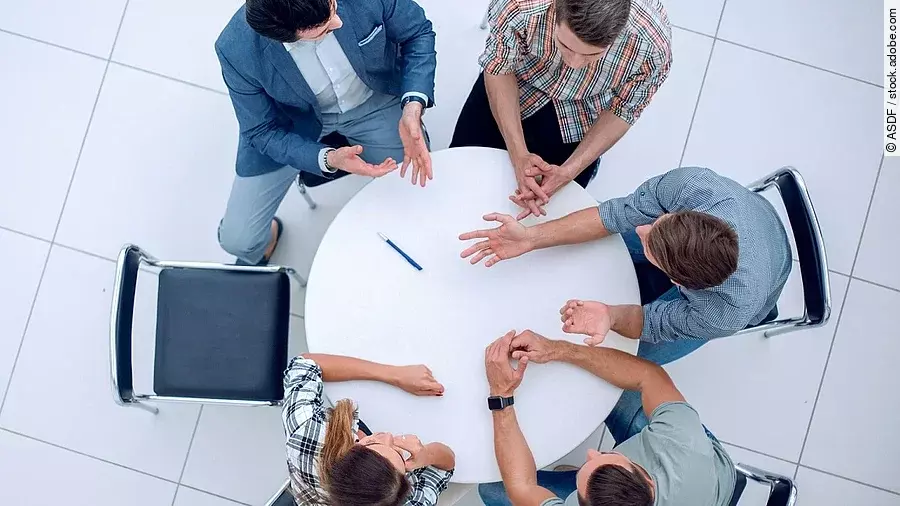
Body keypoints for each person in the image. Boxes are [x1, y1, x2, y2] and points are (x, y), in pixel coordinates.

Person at [459, 166, 792, 366]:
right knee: (610, 233)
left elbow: (653, 322)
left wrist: (611, 316)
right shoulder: (691, 186)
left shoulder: (724, 311)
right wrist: (530, 238)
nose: (642, 229)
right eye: (660, 223)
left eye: (649, 244)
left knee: (634, 353)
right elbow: (617, 215)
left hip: (767, 277)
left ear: (678, 281)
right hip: (753, 215)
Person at [215, 0, 438, 265]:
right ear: (283, 36)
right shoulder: (236, 48)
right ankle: (267, 240)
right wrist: (326, 159)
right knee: (238, 241)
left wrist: (413, 105)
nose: (339, 22)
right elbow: (261, 130)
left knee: (415, 186)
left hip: (371, 102)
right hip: (291, 125)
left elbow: (418, 33)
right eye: (323, 29)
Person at [450, 0, 671, 219]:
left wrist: (568, 172)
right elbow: (500, 67)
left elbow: (624, 110)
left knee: (554, 213)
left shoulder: (653, 47)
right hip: (517, 79)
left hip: (583, 108)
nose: (574, 63)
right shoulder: (518, 5)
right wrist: (519, 154)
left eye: (591, 55)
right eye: (565, 45)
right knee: (458, 173)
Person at [479, 329, 740, 506]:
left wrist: (501, 395)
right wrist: (558, 349)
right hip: (706, 476)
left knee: (491, 489)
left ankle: (582, 480)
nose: (592, 451)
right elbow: (650, 376)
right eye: (605, 458)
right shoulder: (681, 442)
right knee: (611, 383)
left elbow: (522, 488)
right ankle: (582, 479)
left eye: (594, 460)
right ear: (648, 478)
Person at [283, 353, 455, 505]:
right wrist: (426, 455)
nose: (388, 435)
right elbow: (445, 467)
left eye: (372, 443)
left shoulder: (305, 436)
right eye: (399, 457)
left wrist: (394, 374)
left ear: (348, 453)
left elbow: (305, 364)